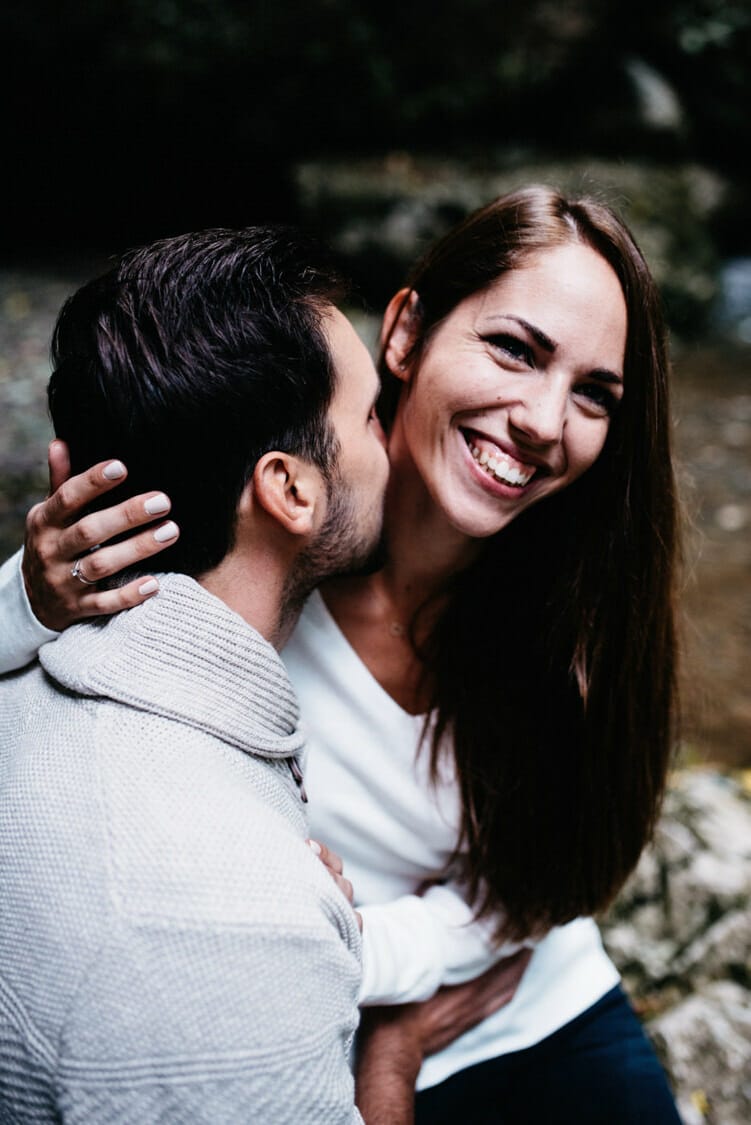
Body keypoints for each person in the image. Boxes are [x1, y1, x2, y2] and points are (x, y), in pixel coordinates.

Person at [0, 187, 682, 1122]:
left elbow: (541, 885)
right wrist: (29, 595)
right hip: (306, 1017)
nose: (543, 420)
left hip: (523, 996)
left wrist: (359, 948)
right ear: (403, 331)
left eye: (595, 394)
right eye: (514, 349)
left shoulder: (580, 609)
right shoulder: (276, 536)